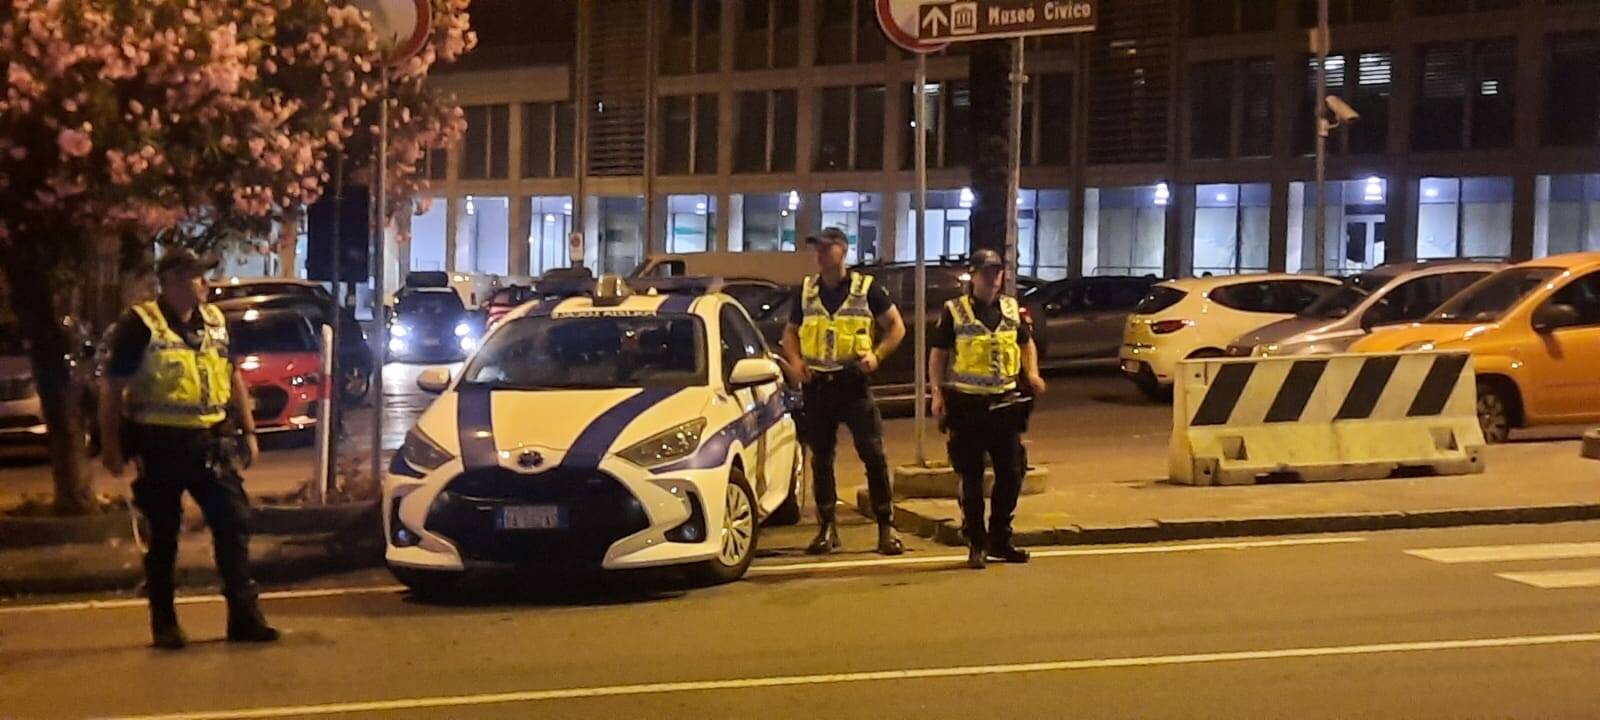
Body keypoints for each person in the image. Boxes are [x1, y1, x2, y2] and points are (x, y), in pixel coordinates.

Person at [99, 250, 279, 650]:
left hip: (211, 442)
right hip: (159, 444)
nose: (205, 284)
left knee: (233, 524)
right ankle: (165, 624)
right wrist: (111, 446)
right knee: (163, 537)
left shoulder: (214, 320)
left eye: (204, 277)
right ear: (173, 281)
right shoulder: (140, 325)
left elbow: (232, 375)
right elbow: (111, 390)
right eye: (197, 277)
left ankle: (244, 618)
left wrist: (249, 431)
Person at [781, 227, 907, 555]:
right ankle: (827, 528)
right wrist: (795, 362)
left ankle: (885, 527)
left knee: (873, 455)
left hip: (853, 384)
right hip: (819, 386)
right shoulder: (807, 291)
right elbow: (790, 334)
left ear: (843, 250)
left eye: (827, 248)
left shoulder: (866, 288)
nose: (820, 254)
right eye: (817, 248)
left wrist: (876, 356)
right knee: (821, 459)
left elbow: (897, 326)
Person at [928, 248, 1047, 569]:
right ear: (974, 275)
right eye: (987, 272)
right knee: (971, 477)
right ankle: (976, 542)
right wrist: (937, 393)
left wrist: (1032, 373)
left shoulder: (1011, 308)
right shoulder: (955, 311)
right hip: (968, 404)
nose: (993, 278)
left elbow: (1026, 343)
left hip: (1006, 403)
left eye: (998, 272)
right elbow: (938, 355)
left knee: (1011, 472)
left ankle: (1000, 538)